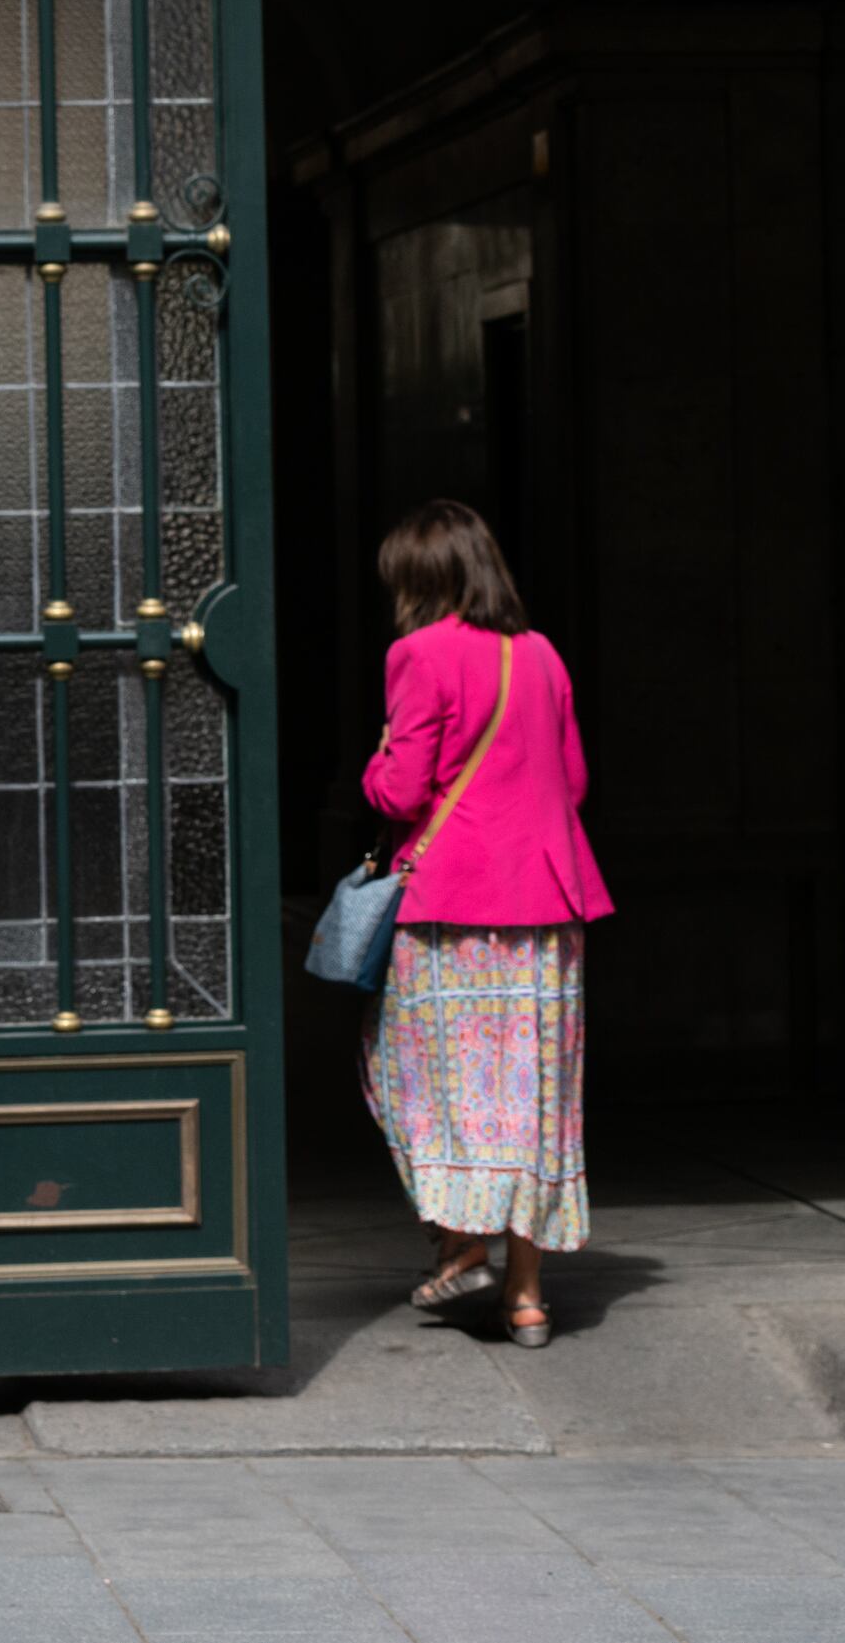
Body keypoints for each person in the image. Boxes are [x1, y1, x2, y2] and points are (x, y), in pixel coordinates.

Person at [359, 500, 610, 1348]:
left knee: (401, 1073)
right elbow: (571, 783)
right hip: (546, 906)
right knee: (533, 1100)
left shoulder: (418, 654)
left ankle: (461, 1235)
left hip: (452, 909)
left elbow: (399, 792)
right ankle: (528, 1298)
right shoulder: (542, 655)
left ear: (421, 581)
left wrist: (377, 754)